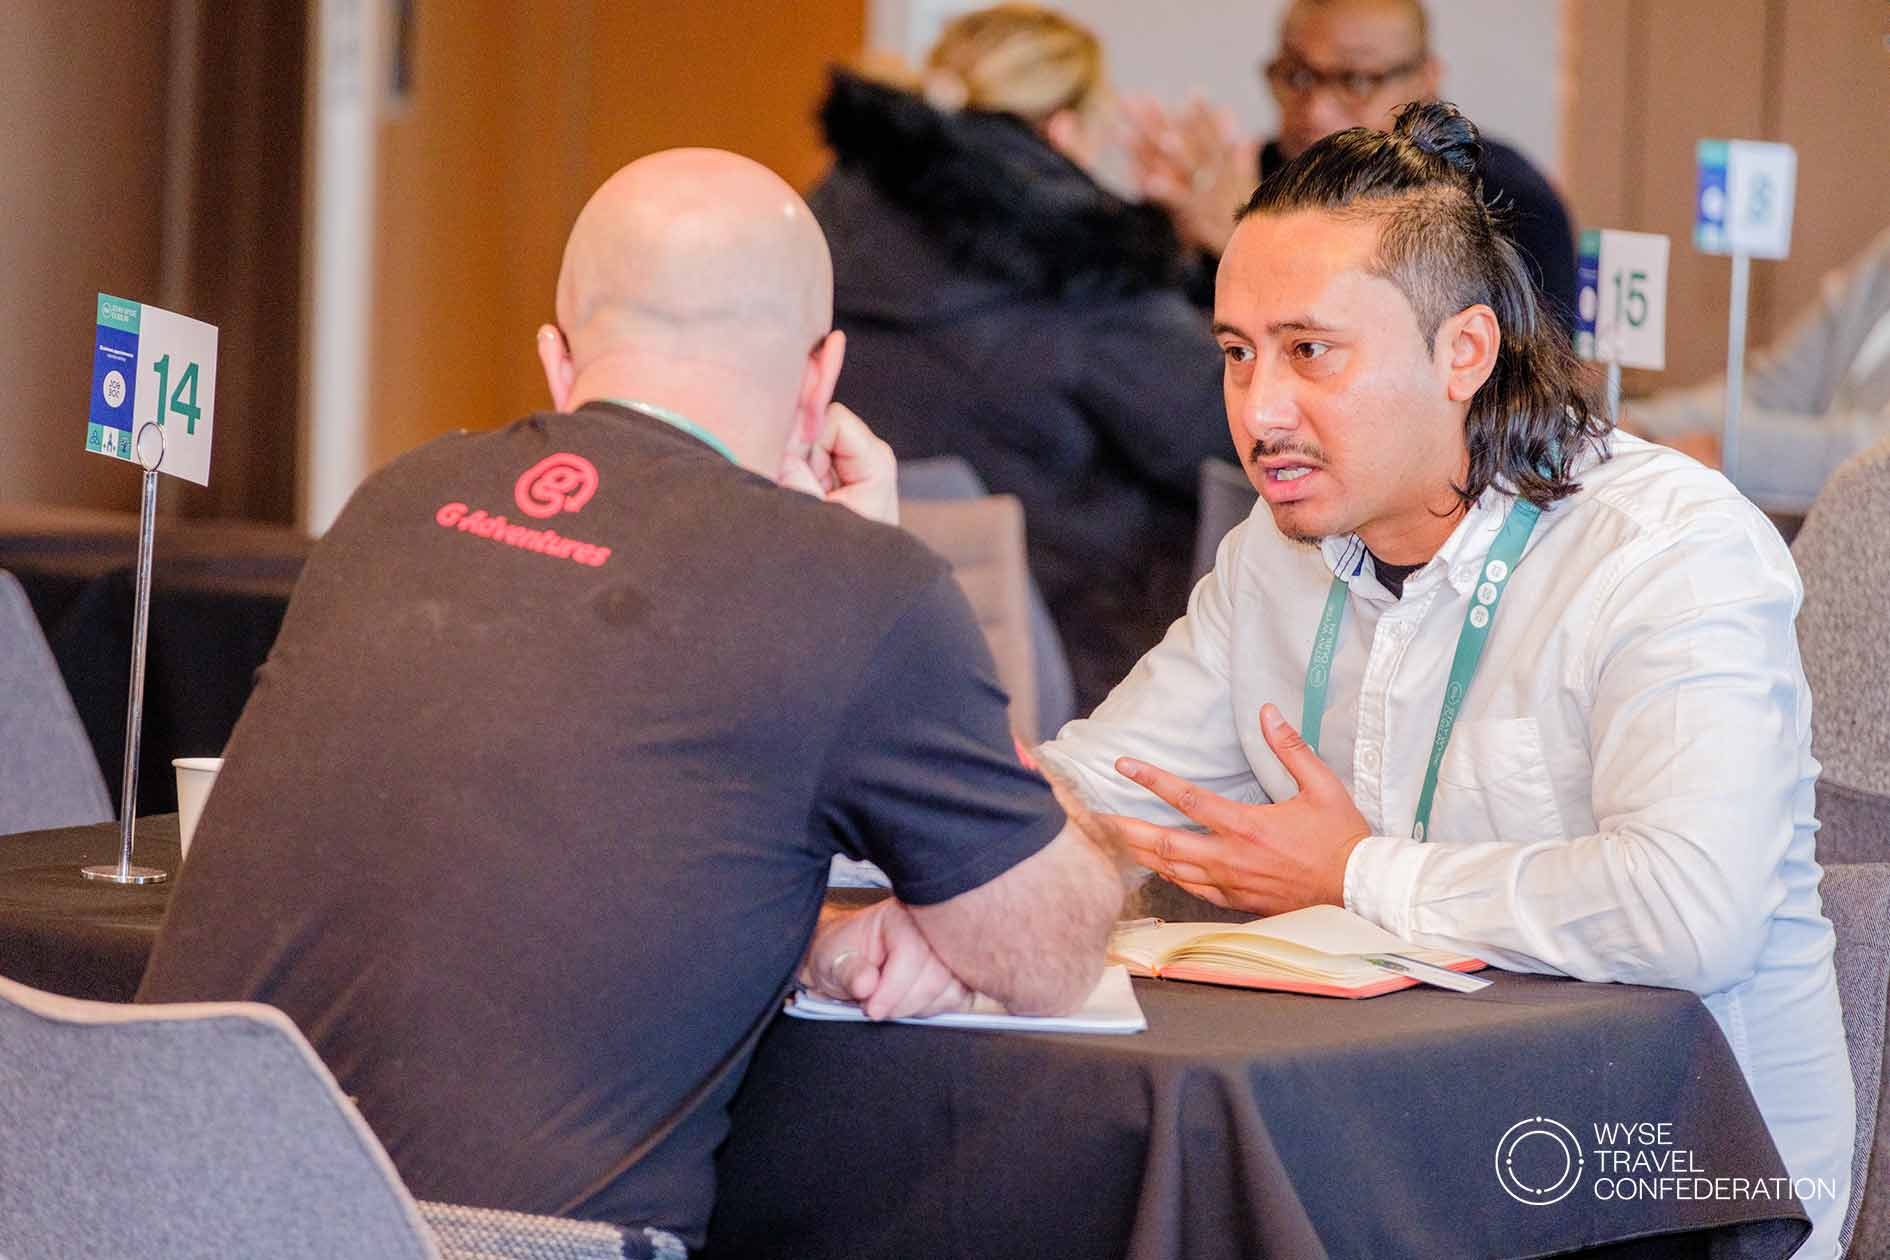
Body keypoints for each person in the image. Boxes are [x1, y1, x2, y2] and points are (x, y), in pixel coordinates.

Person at [136, 150, 1124, 1255]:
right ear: (821, 378)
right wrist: (888, 609)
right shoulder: (852, 585)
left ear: (558, 361)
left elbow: (543, 864)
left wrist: (811, 941)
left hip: (137, 1198)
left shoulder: (396, 500)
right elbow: (1050, 949)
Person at [1038, 102, 1852, 1255]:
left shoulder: (1666, 548)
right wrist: (897, 819)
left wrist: (1355, 872)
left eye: (1310, 351)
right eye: (1236, 353)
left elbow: (1690, 909)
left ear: (1463, 353)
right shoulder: (1278, 554)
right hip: (1403, 1136)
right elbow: (1102, 793)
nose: (1259, 410)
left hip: (1671, 1186)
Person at [808, 3, 1231, 712]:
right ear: (1063, 130)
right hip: (1083, 681)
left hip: (860, 655)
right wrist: (1224, 255)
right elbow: (1236, 429)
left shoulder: (829, 230)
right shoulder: (1083, 268)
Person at [1123, 0, 1577, 332]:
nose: (1316, 110)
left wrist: (1249, 246)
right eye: (1298, 76)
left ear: (1428, 78)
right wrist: (1177, 243)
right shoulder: (1249, 177)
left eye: (1356, 81)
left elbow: (1527, 382)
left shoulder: (1503, 197)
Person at [1627, 224, 1890, 512]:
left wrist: (1722, 450)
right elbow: (1768, 389)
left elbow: (1878, 454)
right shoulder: (1882, 256)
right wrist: (1639, 425)